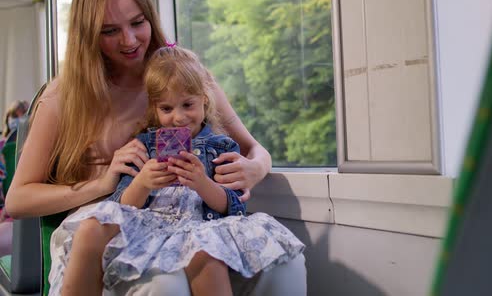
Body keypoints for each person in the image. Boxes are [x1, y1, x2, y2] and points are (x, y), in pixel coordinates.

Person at [5, 0, 306, 295]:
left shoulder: (183, 77)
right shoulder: (64, 97)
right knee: (166, 285)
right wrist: (102, 183)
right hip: (116, 221)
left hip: (188, 221)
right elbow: (18, 200)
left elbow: (255, 149)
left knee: (285, 265)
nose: (130, 40)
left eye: (137, 23)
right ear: (88, 35)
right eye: (109, 31)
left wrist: (254, 169)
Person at [50, 46, 304, 296]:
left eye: (187, 105)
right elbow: (122, 206)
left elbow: (233, 205)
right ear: (155, 108)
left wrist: (202, 183)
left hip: (201, 228)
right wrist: (143, 183)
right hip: (152, 229)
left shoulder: (220, 147)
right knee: (95, 226)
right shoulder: (143, 147)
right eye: (167, 109)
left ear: (205, 99)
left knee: (208, 259)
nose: (179, 117)